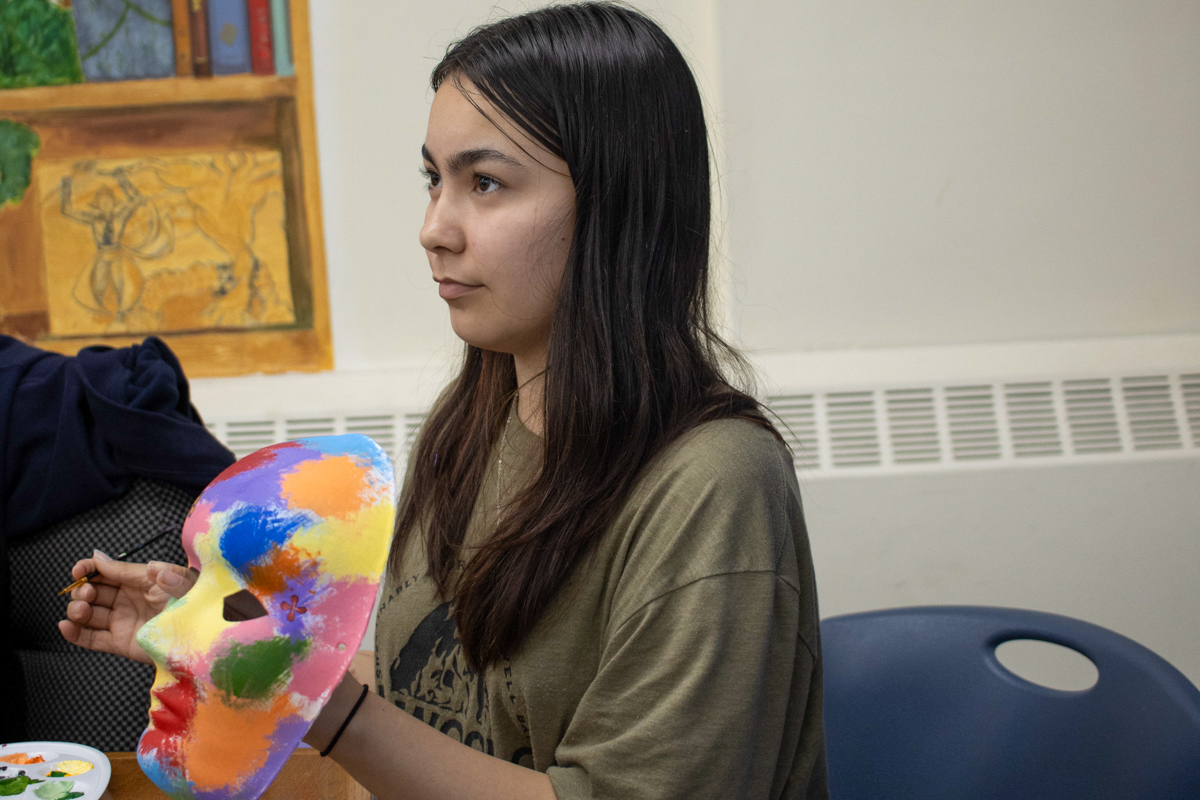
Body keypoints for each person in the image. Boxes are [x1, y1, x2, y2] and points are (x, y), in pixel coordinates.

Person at [58, 3, 827, 798]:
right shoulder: (474, 421)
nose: (434, 228)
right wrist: (224, 630)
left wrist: (316, 701)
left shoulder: (716, 484)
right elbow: (434, 689)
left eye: (485, 182)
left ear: (615, 205)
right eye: (435, 179)